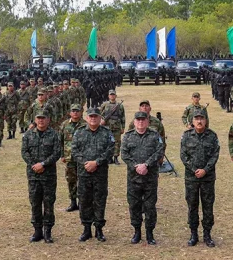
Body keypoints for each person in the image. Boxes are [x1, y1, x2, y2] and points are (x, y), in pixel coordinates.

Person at [121, 110, 165, 245]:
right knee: (134, 205)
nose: (140, 122)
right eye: (138, 120)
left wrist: (146, 165)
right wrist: (136, 166)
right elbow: (124, 154)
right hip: (133, 178)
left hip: (149, 178)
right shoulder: (128, 136)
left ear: (147, 121)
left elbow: (159, 151)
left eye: (143, 120)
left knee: (150, 206)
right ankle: (137, 232)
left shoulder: (154, 135)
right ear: (134, 122)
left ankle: (150, 233)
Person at [71, 108, 115, 242]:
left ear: (99, 117)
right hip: (84, 173)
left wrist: (96, 162)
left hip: (100, 173)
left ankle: (99, 229)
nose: (93, 119)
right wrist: (86, 163)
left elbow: (110, 150)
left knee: (99, 201)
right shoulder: (79, 132)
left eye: (96, 116)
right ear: (87, 117)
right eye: (91, 116)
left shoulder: (107, 133)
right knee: (84, 200)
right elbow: (74, 150)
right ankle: (86, 229)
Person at [20, 109, 63, 243]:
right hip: (33, 175)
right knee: (35, 203)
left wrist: (43, 164)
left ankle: (48, 231)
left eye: (43, 118)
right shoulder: (28, 135)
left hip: (48, 175)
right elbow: (24, 152)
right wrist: (34, 165)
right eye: (38, 118)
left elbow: (57, 153)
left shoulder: (54, 135)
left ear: (48, 119)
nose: (41, 120)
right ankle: (37, 231)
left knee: (49, 203)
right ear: (35, 119)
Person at [180, 109, 219, 248]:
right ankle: (193, 233)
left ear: (206, 120)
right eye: (196, 118)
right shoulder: (186, 136)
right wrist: (194, 170)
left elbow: (215, 155)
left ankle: (207, 234)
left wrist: (205, 170)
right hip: (191, 178)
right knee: (192, 206)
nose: (199, 121)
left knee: (208, 206)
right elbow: (183, 155)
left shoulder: (212, 136)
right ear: (192, 121)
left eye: (202, 118)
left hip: (207, 178)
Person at [60, 104, 85, 212]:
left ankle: (82, 202)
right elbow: (60, 141)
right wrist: (62, 155)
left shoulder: (85, 125)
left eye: (77, 111)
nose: (75, 113)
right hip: (69, 158)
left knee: (83, 180)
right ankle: (73, 202)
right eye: (73, 111)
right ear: (70, 113)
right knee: (71, 180)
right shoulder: (64, 124)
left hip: (82, 158)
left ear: (81, 112)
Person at [99, 90, 125, 164]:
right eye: (111, 95)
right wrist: (102, 120)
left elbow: (123, 117)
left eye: (113, 95)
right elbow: (99, 114)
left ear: (116, 96)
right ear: (108, 96)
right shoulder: (105, 105)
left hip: (117, 126)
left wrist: (122, 127)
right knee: (108, 142)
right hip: (107, 126)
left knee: (117, 142)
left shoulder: (120, 106)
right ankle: (109, 157)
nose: (112, 96)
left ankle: (116, 157)